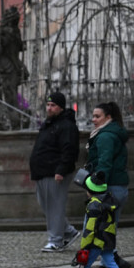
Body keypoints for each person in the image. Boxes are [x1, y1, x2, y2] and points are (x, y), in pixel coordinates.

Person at [84, 101, 130, 268]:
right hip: (118, 187)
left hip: (108, 189)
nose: (93, 119)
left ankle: (115, 263)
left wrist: (95, 189)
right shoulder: (113, 133)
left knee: (96, 230)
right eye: (93, 116)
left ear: (108, 117)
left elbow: (104, 165)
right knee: (107, 230)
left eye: (97, 116)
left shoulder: (105, 136)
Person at [30, 91, 80, 252]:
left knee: (55, 206)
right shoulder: (50, 123)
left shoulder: (66, 126)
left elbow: (69, 150)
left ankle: (56, 241)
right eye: (48, 105)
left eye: (53, 105)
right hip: (43, 172)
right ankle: (69, 232)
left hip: (55, 172)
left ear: (60, 107)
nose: (49, 108)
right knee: (47, 206)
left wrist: (61, 170)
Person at [64, 172, 126, 268]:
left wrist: (85, 244)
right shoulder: (109, 200)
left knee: (84, 262)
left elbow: (90, 227)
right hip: (107, 237)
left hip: (97, 239)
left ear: (90, 191)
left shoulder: (94, 205)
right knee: (110, 260)